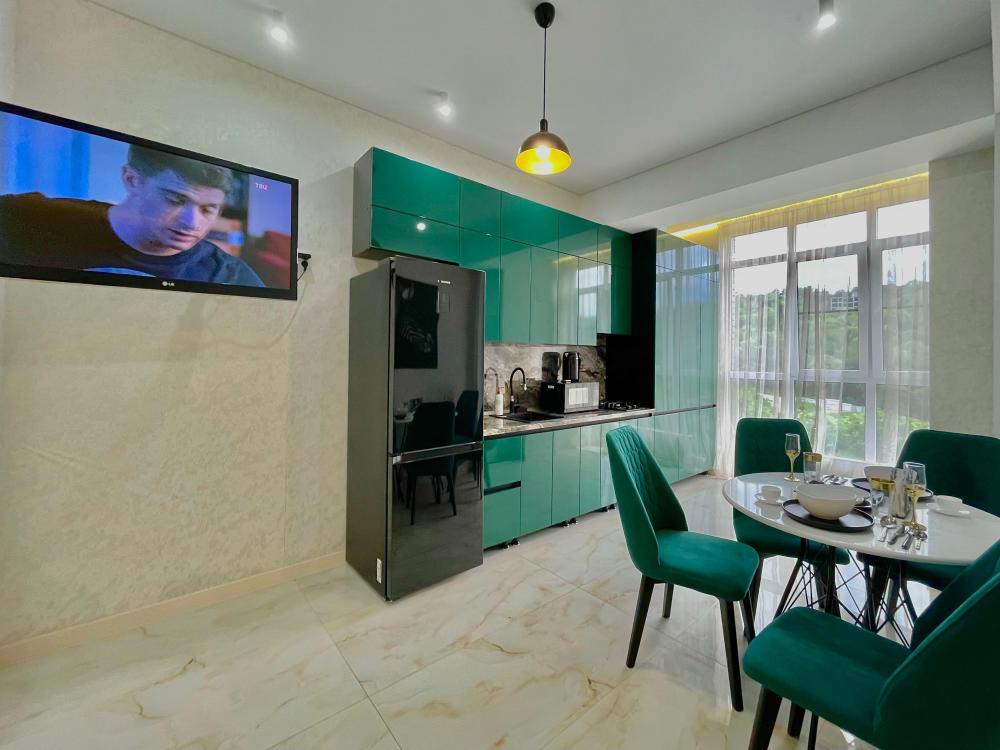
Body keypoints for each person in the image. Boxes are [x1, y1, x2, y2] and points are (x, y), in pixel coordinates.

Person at [0, 145, 264, 286]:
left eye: (208, 209)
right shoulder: (28, 219)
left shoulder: (233, 278)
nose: (192, 223)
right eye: (175, 199)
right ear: (131, 179)